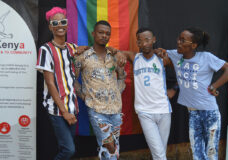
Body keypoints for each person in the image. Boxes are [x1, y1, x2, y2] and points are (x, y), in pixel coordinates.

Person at [158, 27, 228, 160]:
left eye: (183, 40)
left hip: (209, 112)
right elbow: (158, 52)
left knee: (211, 152)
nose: (178, 42)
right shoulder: (176, 54)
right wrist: (159, 51)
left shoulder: (206, 57)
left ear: (193, 45)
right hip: (193, 112)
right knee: (197, 152)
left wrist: (213, 86)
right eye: (179, 38)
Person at [110, 27, 174, 160]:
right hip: (145, 112)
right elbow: (112, 51)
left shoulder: (162, 58)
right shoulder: (135, 57)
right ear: (137, 43)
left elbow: (181, 70)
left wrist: (175, 88)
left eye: (147, 40)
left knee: (160, 151)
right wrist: (118, 53)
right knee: (159, 154)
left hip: (164, 110)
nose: (144, 44)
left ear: (154, 40)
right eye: (140, 41)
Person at [36, 7, 87, 160]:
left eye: (63, 22)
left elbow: (87, 50)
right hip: (58, 109)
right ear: (50, 27)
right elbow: (50, 84)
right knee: (69, 150)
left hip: (73, 107)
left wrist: (113, 50)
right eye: (55, 22)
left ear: (67, 24)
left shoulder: (72, 48)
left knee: (66, 147)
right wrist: (64, 112)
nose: (59, 25)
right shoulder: (46, 49)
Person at [74, 20, 126, 160]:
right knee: (108, 145)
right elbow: (72, 80)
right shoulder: (82, 56)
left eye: (107, 33)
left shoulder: (115, 56)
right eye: (101, 32)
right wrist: (84, 96)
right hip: (96, 110)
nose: (104, 35)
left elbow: (122, 77)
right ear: (93, 34)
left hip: (115, 110)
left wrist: (117, 92)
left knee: (112, 147)